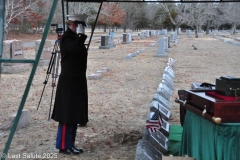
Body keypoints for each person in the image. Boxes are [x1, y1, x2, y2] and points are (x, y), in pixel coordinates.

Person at [51, 15, 88, 155]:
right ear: (72, 24)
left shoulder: (74, 38)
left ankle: (71, 144)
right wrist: (81, 36)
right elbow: (73, 49)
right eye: (77, 25)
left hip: (77, 81)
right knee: (66, 116)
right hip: (68, 82)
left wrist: (80, 37)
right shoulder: (67, 38)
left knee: (73, 115)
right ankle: (63, 146)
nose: (78, 27)